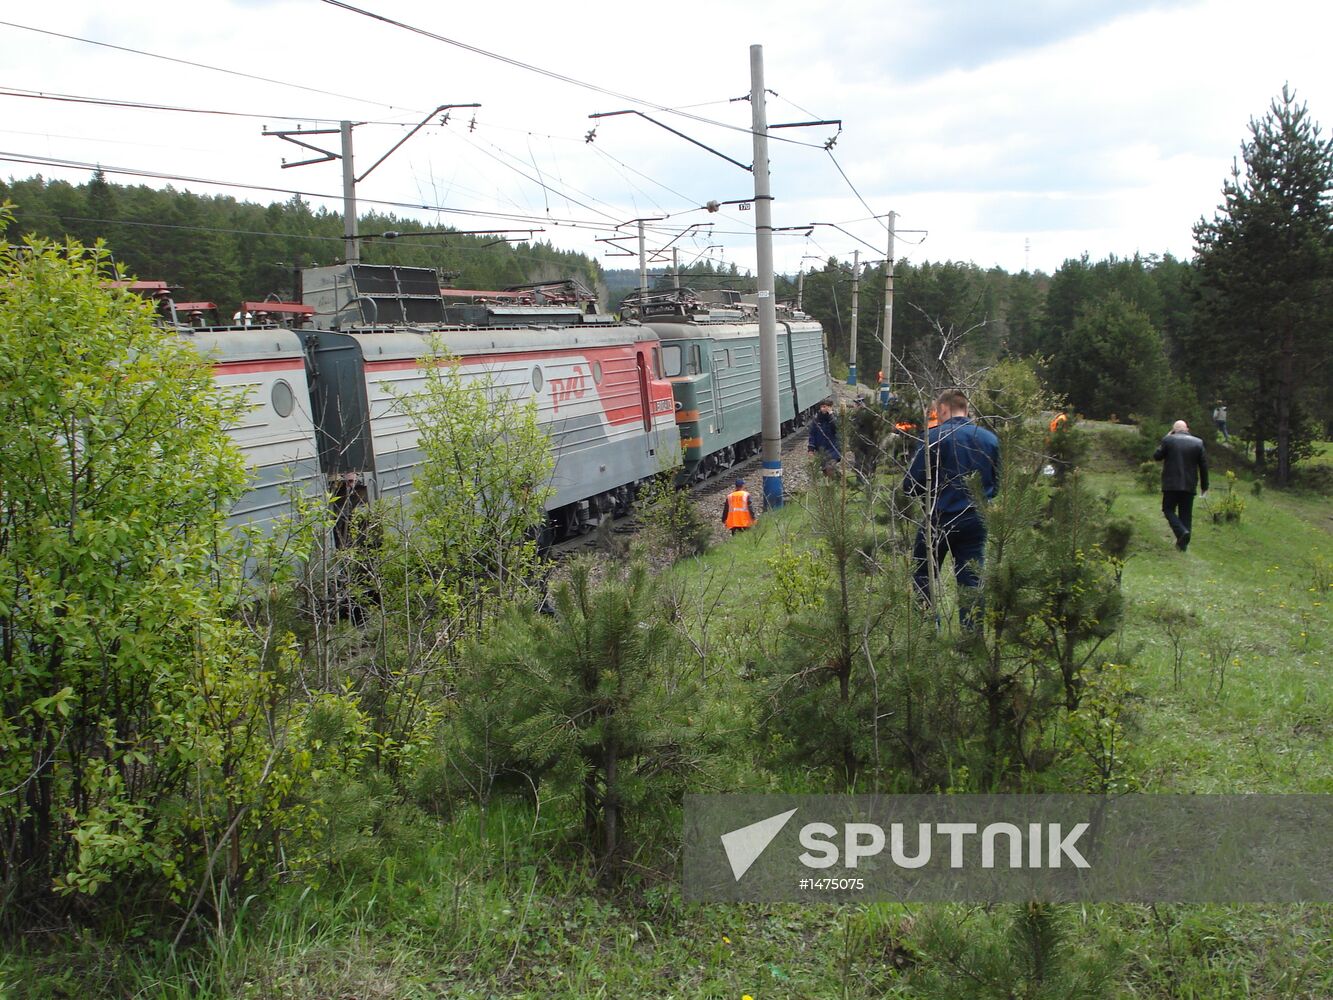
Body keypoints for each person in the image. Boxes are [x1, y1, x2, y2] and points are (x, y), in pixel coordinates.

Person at [902, 389, 1000, 630]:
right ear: (966, 409)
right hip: (976, 519)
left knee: (923, 573)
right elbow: (995, 486)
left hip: (939, 519)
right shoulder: (990, 440)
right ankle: (972, 638)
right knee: (971, 580)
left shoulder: (933, 439)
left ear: (943, 409)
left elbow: (910, 486)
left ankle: (928, 630)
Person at [1154, 419, 1209, 551]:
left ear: (1173, 430)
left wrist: (1166, 437)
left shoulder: (1168, 440)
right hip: (1189, 485)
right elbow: (1203, 466)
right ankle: (1183, 545)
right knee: (1186, 514)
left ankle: (1181, 532)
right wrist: (1204, 485)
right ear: (1187, 429)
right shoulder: (1198, 442)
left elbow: (1157, 456)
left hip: (1171, 484)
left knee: (1168, 509)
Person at [807, 398, 841, 474]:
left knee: (830, 468)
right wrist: (811, 449)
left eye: (825, 406)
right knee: (825, 471)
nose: (822, 409)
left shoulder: (835, 417)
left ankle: (833, 482)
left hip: (833, 449)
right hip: (821, 450)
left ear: (830, 407)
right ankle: (833, 482)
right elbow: (812, 434)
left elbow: (837, 428)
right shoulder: (817, 419)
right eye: (821, 407)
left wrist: (831, 415)